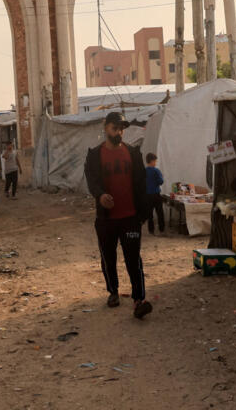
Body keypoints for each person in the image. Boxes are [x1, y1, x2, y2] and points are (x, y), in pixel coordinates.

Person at [83, 112, 153, 319]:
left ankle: (139, 298)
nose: (119, 132)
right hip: (106, 219)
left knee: (133, 259)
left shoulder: (133, 153)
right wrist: (100, 195)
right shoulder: (95, 155)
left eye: (122, 128)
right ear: (106, 128)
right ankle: (113, 291)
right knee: (108, 257)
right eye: (115, 128)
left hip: (130, 217)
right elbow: (92, 179)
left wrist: (144, 212)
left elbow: (141, 184)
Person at [145, 153, 166, 235]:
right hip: (156, 195)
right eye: (155, 161)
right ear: (152, 161)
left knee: (150, 214)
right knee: (160, 212)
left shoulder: (144, 171)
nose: (155, 163)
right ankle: (161, 229)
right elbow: (161, 181)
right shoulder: (156, 171)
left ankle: (151, 230)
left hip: (147, 195)